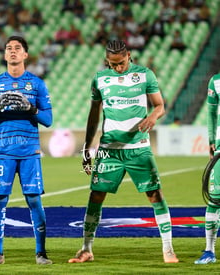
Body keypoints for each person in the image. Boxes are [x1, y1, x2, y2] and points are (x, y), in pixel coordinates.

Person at [68, 40, 179, 264]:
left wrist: (153, 116)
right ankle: (86, 249)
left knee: (155, 194)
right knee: (96, 196)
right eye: (113, 64)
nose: (118, 68)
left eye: (121, 62)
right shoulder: (100, 78)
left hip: (138, 148)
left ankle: (168, 249)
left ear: (129, 55)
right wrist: (87, 147)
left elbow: (160, 105)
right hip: (109, 150)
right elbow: (93, 115)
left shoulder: (145, 75)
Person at [0, 36, 53, 265]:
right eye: (9, 48)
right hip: (3, 152)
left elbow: (48, 119)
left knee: (33, 200)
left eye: (17, 48)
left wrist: (31, 108)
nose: (12, 51)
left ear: (25, 55)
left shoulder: (37, 84)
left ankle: (41, 253)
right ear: (4, 55)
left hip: (29, 152)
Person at [194, 73, 220, 265]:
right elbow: (211, 113)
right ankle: (209, 251)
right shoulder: (215, 81)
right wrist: (211, 140)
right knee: (214, 198)